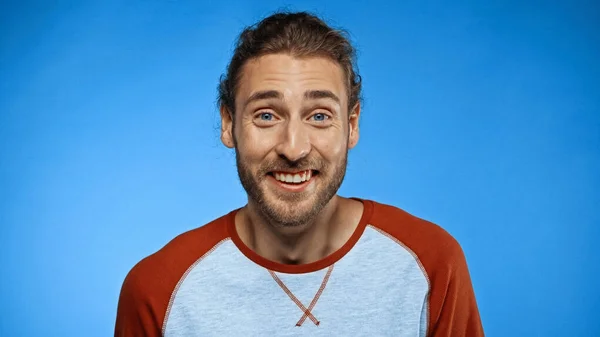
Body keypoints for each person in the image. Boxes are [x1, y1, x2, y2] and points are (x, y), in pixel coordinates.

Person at [115, 11, 484, 337]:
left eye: (320, 116)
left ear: (351, 126)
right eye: (266, 115)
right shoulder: (158, 289)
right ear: (229, 124)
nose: (294, 148)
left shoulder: (431, 263)